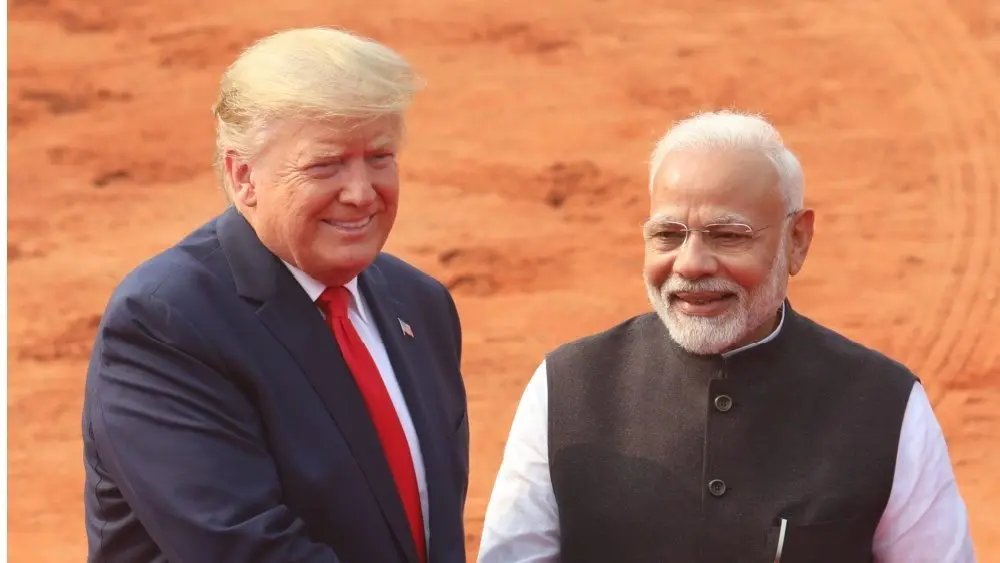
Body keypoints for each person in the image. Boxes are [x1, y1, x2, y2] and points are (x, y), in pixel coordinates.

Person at [476, 110, 975, 563]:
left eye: (728, 235)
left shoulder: (886, 406)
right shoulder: (566, 389)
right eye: (668, 235)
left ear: (797, 240)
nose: (691, 264)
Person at [82, 27, 469, 563]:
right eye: (325, 165)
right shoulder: (167, 322)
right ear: (244, 176)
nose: (361, 193)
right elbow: (242, 547)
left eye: (380, 157)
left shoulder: (420, 305)